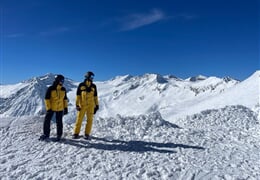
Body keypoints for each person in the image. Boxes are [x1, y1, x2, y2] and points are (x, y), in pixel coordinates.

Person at [39, 74, 68, 141]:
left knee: (59, 122)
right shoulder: (51, 88)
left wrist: (65, 108)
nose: (62, 82)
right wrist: (48, 108)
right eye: (61, 80)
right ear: (57, 80)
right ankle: (46, 134)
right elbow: (47, 99)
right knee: (47, 121)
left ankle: (59, 135)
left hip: (60, 108)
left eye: (63, 80)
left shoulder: (63, 89)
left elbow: (65, 99)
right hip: (51, 108)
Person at [72, 71, 99, 140]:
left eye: (93, 77)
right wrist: (77, 105)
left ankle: (87, 134)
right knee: (79, 119)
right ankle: (76, 133)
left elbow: (95, 97)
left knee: (90, 120)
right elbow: (78, 96)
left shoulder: (94, 86)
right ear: (87, 76)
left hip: (91, 106)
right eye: (91, 77)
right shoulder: (81, 85)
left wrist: (97, 105)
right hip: (82, 105)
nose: (92, 78)